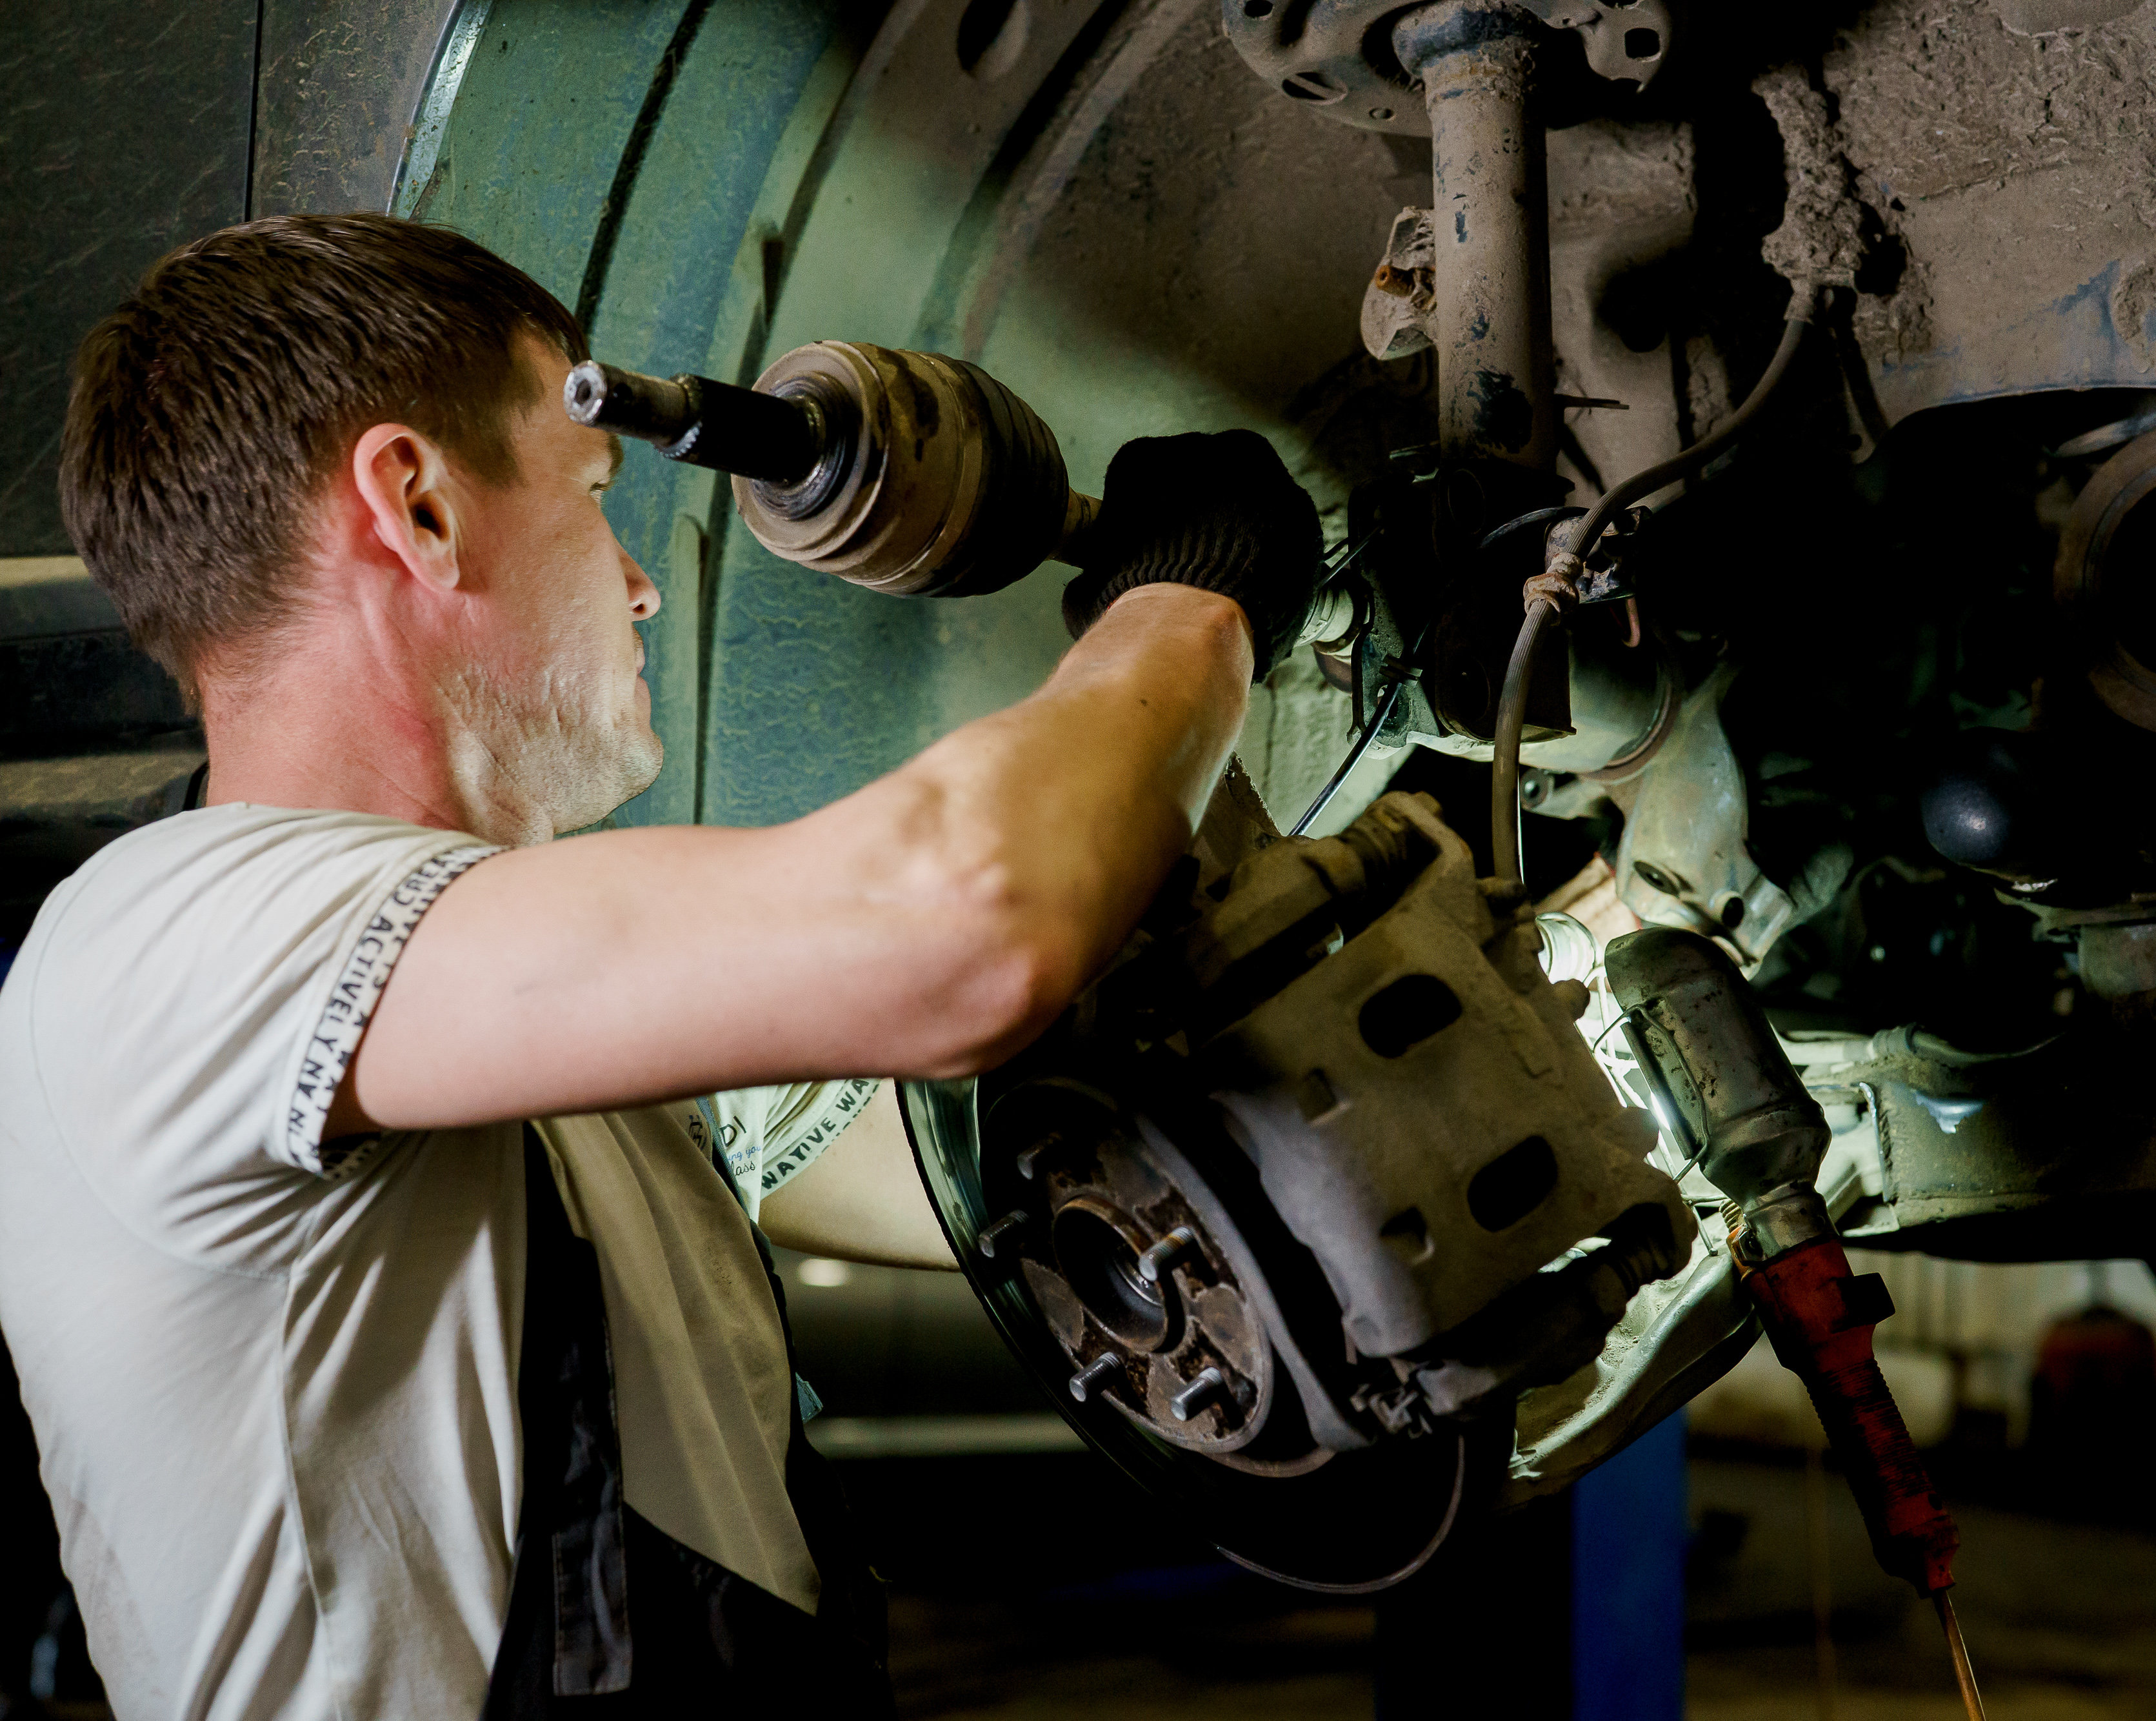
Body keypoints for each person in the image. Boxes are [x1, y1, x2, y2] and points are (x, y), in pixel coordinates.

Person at [0, 213, 1323, 1720]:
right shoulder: (176, 938)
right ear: (417, 507)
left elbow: (976, 1154)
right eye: (595, 496)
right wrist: (1189, 610)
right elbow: (962, 925)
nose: (638, 586)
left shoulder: (503, 1038)